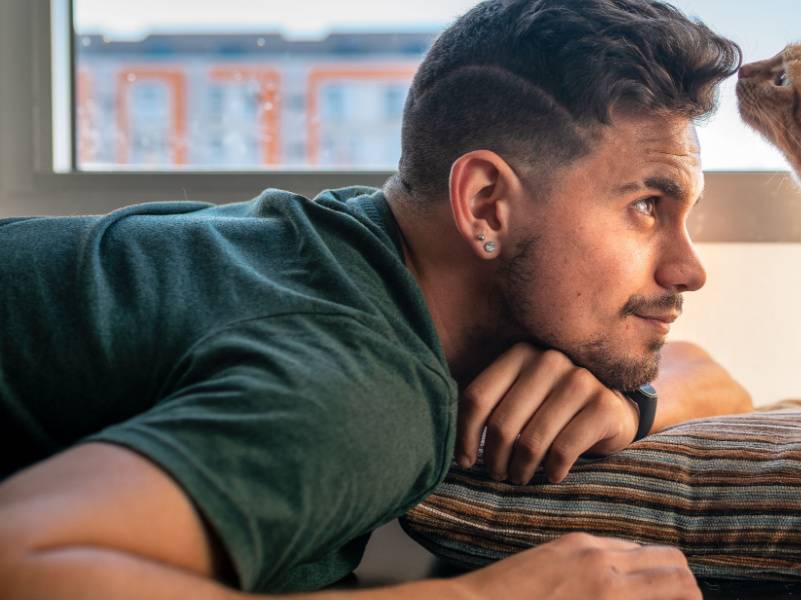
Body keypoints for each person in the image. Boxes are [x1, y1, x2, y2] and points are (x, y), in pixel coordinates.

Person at [0, 0, 751, 598]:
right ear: (486, 205)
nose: (690, 269)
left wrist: (632, 403)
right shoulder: (362, 384)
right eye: (648, 206)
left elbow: (712, 375)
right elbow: (21, 558)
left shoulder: (354, 246)